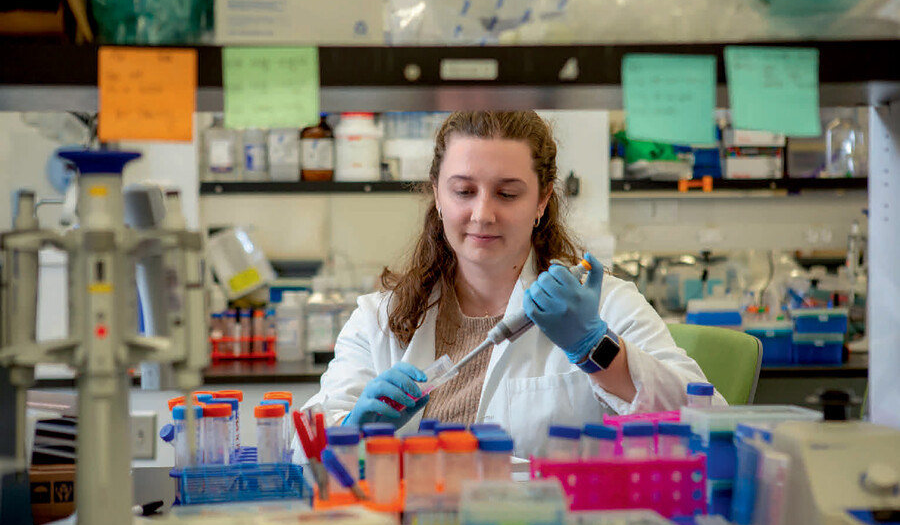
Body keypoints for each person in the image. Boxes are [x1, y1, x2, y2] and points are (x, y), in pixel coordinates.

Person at [302, 111, 724, 457]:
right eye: (464, 190)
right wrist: (352, 428)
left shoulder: (603, 305)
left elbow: (710, 422)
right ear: (437, 194)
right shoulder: (380, 316)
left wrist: (597, 350)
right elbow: (305, 446)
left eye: (507, 194)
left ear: (542, 200)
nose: (483, 214)